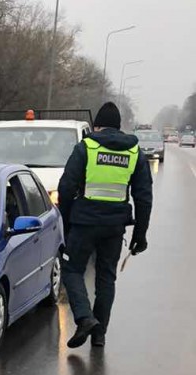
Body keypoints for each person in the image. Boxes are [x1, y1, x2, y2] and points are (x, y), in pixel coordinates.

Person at [57, 102, 152, 348]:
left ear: (97, 126)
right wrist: (140, 235)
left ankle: (85, 318)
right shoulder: (134, 153)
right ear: (119, 128)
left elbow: (66, 187)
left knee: (71, 270)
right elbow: (143, 197)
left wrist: (66, 221)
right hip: (114, 226)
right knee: (106, 278)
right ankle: (99, 336)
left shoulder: (86, 147)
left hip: (84, 223)